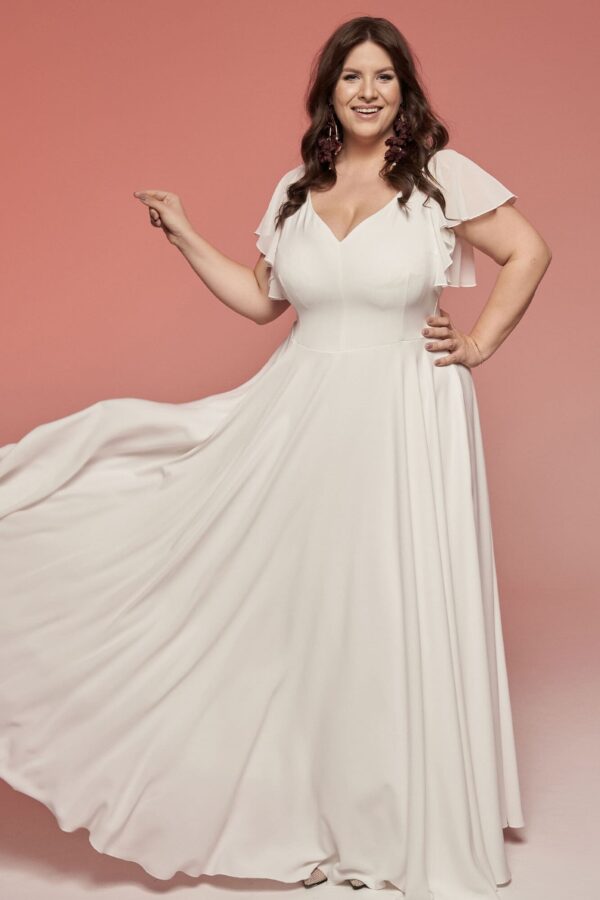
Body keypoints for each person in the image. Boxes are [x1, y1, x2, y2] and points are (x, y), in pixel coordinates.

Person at [0, 15, 551, 900]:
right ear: (328, 91)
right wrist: (185, 233)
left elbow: (528, 250)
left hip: (407, 414)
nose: (368, 92)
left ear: (404, 91)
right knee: (310, 605)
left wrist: (479, 343)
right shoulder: (297, 189)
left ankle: (400, 811)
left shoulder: (439, 177)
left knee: (391, 597)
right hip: (301, 415)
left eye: (384, 77)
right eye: (352, 77)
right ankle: (314, 800)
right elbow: (263, 302)